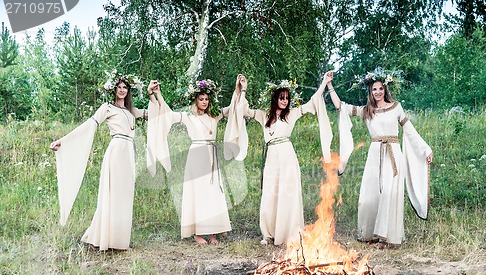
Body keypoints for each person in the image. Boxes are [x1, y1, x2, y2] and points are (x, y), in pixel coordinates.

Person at [50, 70, 159, 251]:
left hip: (128, 154)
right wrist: (63, 140)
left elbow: (154, 114)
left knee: (124, 195)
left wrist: (151, 94)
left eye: (125, 87)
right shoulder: (108, 108)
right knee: (113, 194)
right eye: (119, 87)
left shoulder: (131, 111)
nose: (122, 90)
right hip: (116, 152)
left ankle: (118, 239)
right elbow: (89, 125)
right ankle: (103, 237)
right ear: (114, 89)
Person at [328, 68, 433, 248]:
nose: (377, 92)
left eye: (380, 89)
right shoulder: (367, 111)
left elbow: (410, 130)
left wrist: (425, 149)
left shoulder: (396, 107)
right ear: (370, 91)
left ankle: (386, 238)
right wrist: (329, 84)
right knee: (369, 195)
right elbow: (340, 106)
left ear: (385, 89)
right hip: (375, 153)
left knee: (389, 194)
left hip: (393, 154)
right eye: (374, 89)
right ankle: (370, 233)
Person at [235, 72, 334, 246]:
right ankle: (269, 234)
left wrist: (325, 82)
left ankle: (289, 232)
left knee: (287, 192)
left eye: (287, 98)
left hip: (287, 156)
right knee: (270, 193)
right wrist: (243, 89)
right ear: (275, 99)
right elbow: (242, 110)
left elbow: (313, 102)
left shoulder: (292, 114)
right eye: (281, 98)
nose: (285, 101)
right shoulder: (263, 115)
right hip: (272, 157)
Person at [147, 78, 243, 245]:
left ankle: (212, 232)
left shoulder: (214, 116)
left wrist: (238, 89)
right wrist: (157, 94)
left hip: (211, 156)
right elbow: (168, 114)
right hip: (197, 156)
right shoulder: (188, 117)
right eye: (201, 99)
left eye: (207, 99)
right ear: (195, 100)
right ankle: (197, 233)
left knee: (213, 193)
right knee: (199, 194)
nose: (204, 102)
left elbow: (232, 107)